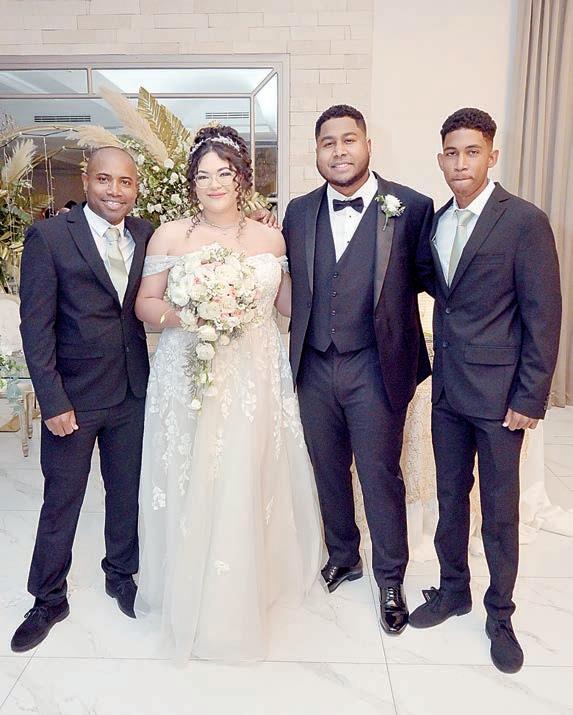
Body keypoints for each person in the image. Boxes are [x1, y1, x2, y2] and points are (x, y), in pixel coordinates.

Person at [134, 125, 322, 662]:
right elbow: (146, 305)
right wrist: (192, 315)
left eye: (224, 173)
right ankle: (188, 586)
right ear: (191, 183)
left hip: (253, 374)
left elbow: (287, 305)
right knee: (193, 472)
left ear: (242, 178)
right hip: (188, 371)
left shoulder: (271, 238)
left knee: (245, 469)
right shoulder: (169, 236)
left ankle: (244, 587)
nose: (214, 184)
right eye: (203, 175)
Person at [410, 108, 562, 674]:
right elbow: (439, 292)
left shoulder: (524, 221)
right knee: (450, 499)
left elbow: (544, 316)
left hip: (501, 398)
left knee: (499, 513)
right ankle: (454, 591)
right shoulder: (435, 221)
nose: (460, 163)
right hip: (448, 391)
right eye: (451, 153)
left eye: (472, 152)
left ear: (491, 155)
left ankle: (500, 616)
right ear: (440, 158)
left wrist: (530, 396)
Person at [282, 105, 434, 635]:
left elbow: (434, 279)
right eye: (328, 142)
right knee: (326, 469)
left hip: (377, 366)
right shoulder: (298, 212)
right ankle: (344, 556)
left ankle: (390, 577)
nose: (339, 150)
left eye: (349, 140)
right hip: (314, 365)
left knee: (379, 475)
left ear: (369, 145)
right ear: (316, 152)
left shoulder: (412, 207)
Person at [12, 147, 154, 652]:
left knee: (126, 493)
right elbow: (36, 327)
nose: (115, 191)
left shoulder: (146, 233)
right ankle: (48, 597)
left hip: (132, 391)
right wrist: (52, 400)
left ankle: (121, 573)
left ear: (136, 187)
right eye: (104, 179)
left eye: (125, 182)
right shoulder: (50, 237)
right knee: (62, 499)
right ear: (86, 179)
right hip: (72, 397)